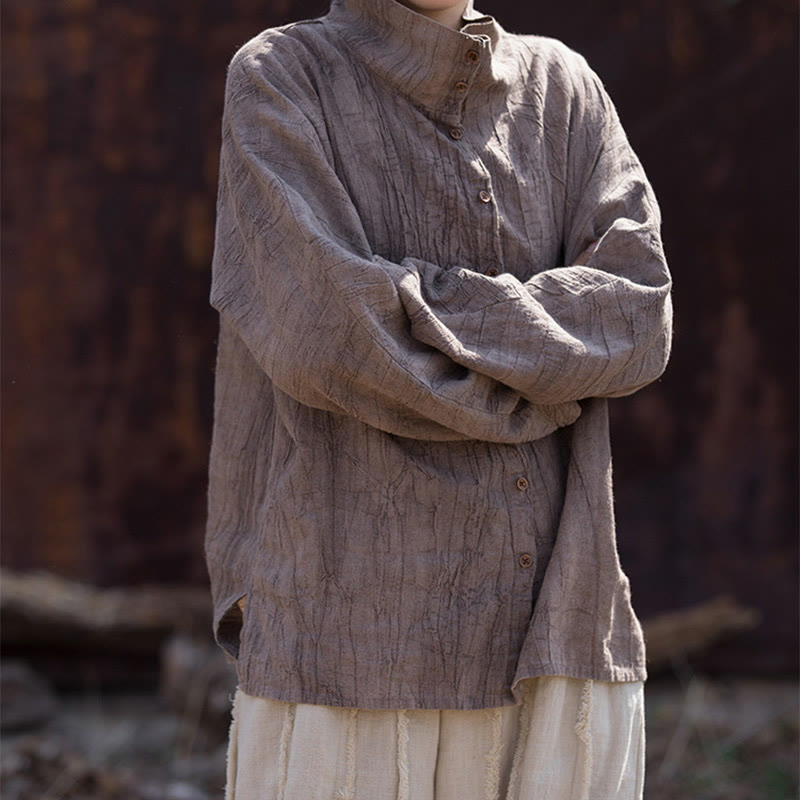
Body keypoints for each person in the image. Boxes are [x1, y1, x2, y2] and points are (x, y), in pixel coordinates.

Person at [204, 0, 673, 797]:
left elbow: (637, 315)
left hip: (558, 627)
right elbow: (331, 331)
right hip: (350, 635)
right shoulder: (281, 76)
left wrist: (412, 308)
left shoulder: (564, 89)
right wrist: (545, 374)